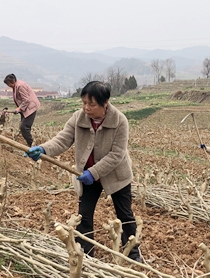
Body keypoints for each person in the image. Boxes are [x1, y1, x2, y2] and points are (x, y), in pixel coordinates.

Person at [24, 81, 141, 262]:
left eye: (91, 104)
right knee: (84, 215)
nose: (86, 108)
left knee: (124, 214)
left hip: (115, 175)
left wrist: (94, 172)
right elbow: (63, 139)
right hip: (87, 176)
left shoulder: (120, 121)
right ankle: (86, 254)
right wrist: (44, 149)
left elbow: (117, 154)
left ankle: (132, 253)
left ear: (105, 103)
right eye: (84, 102)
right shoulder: (78, 118)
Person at [3, 73, 40, 146]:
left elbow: (26, 100)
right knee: (24, 128)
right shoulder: (16, 86)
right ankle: (30, 145)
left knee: (24, 127)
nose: (8, 86)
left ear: (13, 81)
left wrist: (19, 108)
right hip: (25, 108)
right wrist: (19, 109)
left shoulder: (20, 86)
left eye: (8, 84)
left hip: (30, 108)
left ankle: (32, 146)